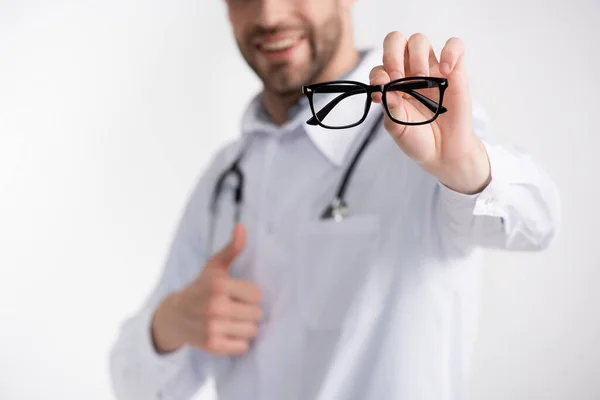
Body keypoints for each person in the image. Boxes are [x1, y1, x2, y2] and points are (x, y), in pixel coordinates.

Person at [109, 0, 561, 399]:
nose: (269, 14)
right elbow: (132, 385)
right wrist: (169, 325)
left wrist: (467, 171)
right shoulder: (223, 177)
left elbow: (538, 222)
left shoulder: (422, 134)